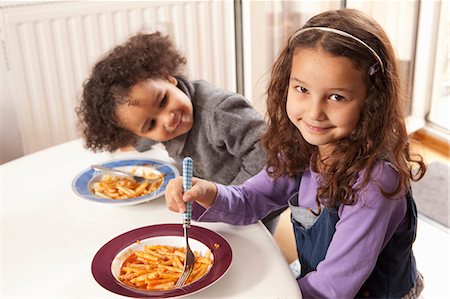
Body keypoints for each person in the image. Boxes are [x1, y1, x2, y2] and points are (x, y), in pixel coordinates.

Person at [165, 9, 426, 298]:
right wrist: (206, 192)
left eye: (336, 97)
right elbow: (253, 199)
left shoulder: (376, 182)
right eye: (302, 89)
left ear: (371, 101)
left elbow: (334, 287)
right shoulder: (301, 147)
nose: (314, 112)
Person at [76, 31, 285, 233]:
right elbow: (143, 135)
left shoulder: (220, 112)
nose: (168, 118)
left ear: (168, 78)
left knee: (253, 249)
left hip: (250, 202)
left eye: (163, 100)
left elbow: (268, 155)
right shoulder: (157, 123)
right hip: (214, 202)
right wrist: (133, 143)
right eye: (150, 125)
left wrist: (225, 198)